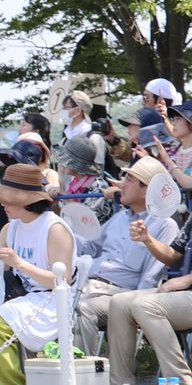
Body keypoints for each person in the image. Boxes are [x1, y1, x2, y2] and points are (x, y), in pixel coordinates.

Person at [0, 164, 75, 385]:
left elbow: (61, 281)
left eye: (8, 199)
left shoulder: (55, 228)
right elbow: (3, 272)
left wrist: (20, 263)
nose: (2, 203)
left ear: (27, 200)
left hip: (49, 302)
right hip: (20, 298)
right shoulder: (9, 229)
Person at [75, 156, 179, 353]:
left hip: (121, 293)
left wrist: (138, 310)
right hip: (89, 284)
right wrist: (66, 228)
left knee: (80, 308)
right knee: (54, 301)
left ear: (147, 190)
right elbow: (89, 247)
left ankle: (81, 372)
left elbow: (151, 277)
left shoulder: (164, 224)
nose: (122, 184)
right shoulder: (120, 217)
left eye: (130, 180)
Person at [107, 207, 192, 385]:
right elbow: (172, 256)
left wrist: (187, 279)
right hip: (186, 294)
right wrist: (148, 239)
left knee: (145, 306)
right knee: (119, 303)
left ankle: (180, 380)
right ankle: (121, 381)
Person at [53, 134, 113, 222]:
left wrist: (69, 201)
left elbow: (91, 223)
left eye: (65, 159)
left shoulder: (98, 186)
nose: (62, 163)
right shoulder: (74, 182)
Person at [153, 102, 192, 190]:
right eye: (173, 119)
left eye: (178, 118)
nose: (173, 123)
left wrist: (168, 160)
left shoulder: (171, 154)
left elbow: (189, 184)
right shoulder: (176, 150)